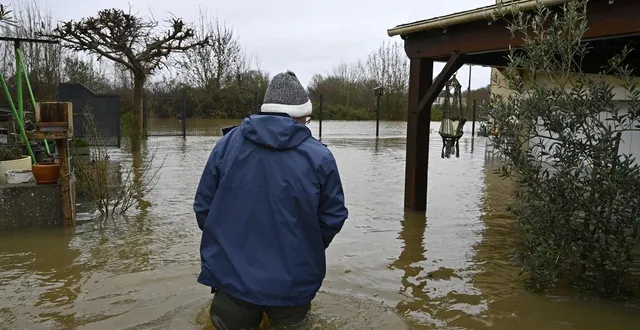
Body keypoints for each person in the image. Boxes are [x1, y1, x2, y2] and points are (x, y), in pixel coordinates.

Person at [194, 70, 349, 330]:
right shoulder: (320, 157)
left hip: (232, 279)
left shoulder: (227, 145)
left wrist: (229, 244)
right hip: (294, 284)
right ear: (300, 115)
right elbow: (332, 217)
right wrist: (306, 246)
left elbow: (203, 208)